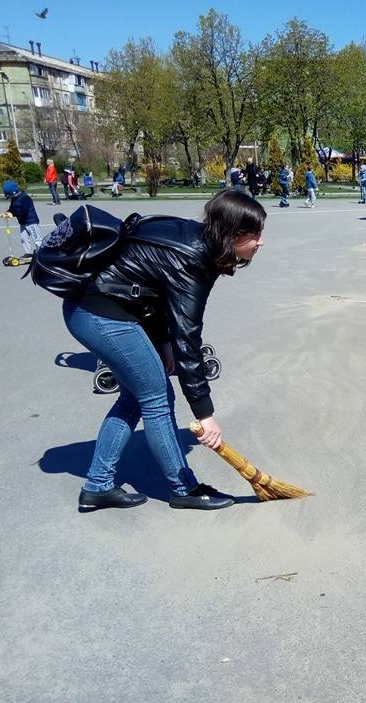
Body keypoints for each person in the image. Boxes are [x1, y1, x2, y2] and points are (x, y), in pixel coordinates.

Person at [60, 190, 266, 512]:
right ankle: (184, 488)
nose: (260, 242)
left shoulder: (195, 239)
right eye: (255, 234)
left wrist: (163, 342)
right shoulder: (194, 259)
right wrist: (205, 414)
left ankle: (97, 486)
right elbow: (189, 340)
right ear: (233, 234)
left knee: (135, 397)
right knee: (157, 396)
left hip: (93, 308)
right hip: (99, 314)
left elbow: (150, 290)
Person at [0, 180, 41, 257]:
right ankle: (27, 253)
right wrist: (7, 212)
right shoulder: (14, 199)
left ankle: (41, 253)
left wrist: (12, 214)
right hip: (23, 223)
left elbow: (22, 211)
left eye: (9, 195)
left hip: (31, 222)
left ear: (14, 193)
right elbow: (12, 208)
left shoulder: (25, 198)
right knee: (23, 238)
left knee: (37, 239)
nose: (9, 197)